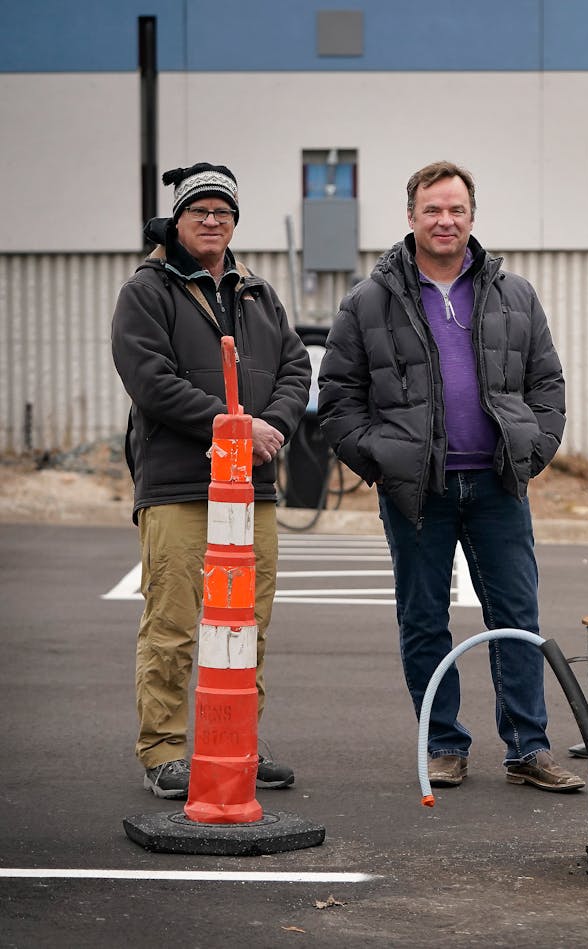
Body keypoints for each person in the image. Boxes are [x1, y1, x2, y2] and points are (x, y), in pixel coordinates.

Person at [318, 160, 583, 794]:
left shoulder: (513, 293)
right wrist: (380, 461)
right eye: (433, 209)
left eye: (457, 209)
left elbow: (546, 381)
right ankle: (443, 743)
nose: (446, 220)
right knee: (423, 620)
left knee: (517, 616)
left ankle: (529, 747)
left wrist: (535, 447)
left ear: (472, 216)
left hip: (497, 486)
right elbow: (338, 395)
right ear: (410, 217)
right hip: (419, 492)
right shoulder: (369, 300)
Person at [112, 162, 309, 799]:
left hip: (254, 486)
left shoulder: (258, 293)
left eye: (222, 211)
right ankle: (166, 752)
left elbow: (295, 367)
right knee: (171, 622)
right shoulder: (147, 291)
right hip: (178, 484)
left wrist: (269, 426)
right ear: (177, 219)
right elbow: (151, 380)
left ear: (234, 222)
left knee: (247, 624)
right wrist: (233, 430)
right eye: (199, 210)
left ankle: (236, 742)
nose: (211, 220)